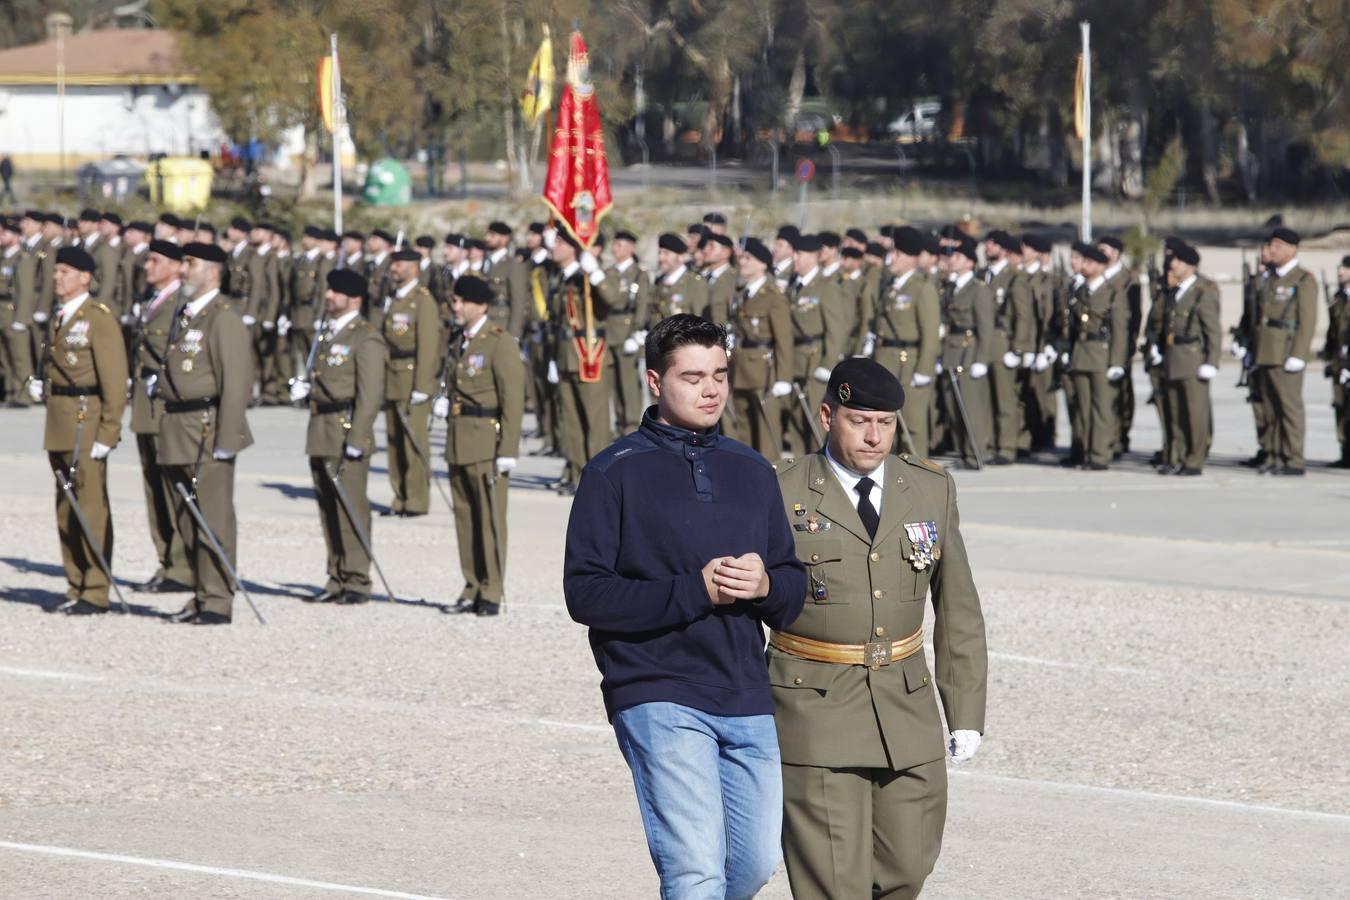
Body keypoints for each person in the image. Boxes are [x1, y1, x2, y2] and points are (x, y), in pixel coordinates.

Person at [563, 314, 806, 900]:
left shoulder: (753, 470)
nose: (711, 389)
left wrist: (766, 585)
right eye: (693, 376)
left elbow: (794, 592)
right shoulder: (612, 472)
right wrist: (694, 589)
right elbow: (586, 593)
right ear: (654, 381)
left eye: (719, 374)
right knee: (695, 869)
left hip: (745, 692)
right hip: (656, 689)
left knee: (750, 867)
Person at [770, 357, 988, 900]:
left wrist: (965, 711)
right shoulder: (782, 491)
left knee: (907, 870)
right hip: (815, 709)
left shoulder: (928, 488)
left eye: (885, 423)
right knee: (834, 884)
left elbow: (957, 606)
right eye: (859, 420)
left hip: (906, 709)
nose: (873, 436)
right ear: (827, 416)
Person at [156, 242, 254, 625]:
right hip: (178, 428)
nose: (182, 269)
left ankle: (217, 599)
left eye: (189, 263)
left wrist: (228, 440)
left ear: (213, 271)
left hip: (206, 430)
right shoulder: (187, 313)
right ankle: (200, 591)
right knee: (186, 518)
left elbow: (237, 381)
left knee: (213, 518)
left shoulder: (222, 316)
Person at [29, 246, 128, 614]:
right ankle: (76, 582)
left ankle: (96, 589)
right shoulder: (60, 316)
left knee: (89, 507)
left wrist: (108, 432)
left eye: (66, 272)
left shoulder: (97, 318)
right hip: (60, 419)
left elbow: (115, 381)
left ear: (85, 277)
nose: (58, 277)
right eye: (57, 271)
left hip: (86, 423)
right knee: (65, 508)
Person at [291, 269, 386, 604]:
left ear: (355, 298)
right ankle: (336, 576)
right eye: (328, 290)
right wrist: (306, 389)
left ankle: (357, 579)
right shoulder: (328, 333)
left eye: (336, 291)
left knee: (351, 507)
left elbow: (370, 394)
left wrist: (359, 438)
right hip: (321, 428)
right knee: (328, 508)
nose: (328, 295)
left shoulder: (366, 337)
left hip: (346, 429)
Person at [432, 276, 525, 616]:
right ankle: (471, 583)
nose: (454, 307)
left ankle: (492, 589)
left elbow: (512, 398)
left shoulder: (499, 342)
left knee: (489, 519)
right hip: (459, 438)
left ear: (481, 305)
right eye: (453, 301)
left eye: (461, 301)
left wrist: (508, 449)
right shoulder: (460, 339)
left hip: (487, 441)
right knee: (465, 517)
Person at [129, 240, 194, 593]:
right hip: (145, 404)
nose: (147, 266)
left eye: (155, 261)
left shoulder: (181, 303)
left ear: (174, 266)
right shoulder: (153, 301)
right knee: (153, 487)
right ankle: (167, 560)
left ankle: (183, 566)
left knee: (171, 487)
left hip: (165, 406)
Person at [1248, 228, 1317, 475]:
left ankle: (1294, 458)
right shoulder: (1272, 278)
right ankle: (1275, 454)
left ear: (1292, 248)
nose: (1272, 249)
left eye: (1277, 245)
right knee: (1270, 408)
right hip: (1266, 350)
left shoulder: (1302, 279)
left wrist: (1299, 354)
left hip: (1286, 352)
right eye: (1271, 245)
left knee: (1289, 408)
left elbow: (1307, 321)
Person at [869, 226, 939, 457]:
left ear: (910, 258)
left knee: (912, 426)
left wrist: (924, 369)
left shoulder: (922, 288)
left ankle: (918, 477)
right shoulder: (891, 285)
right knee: (888, 425)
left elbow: (930, 333)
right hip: (887, 360)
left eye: (897, 253)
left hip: (908, 364)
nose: (891, 258)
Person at [380, 248, 440, 516]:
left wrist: (423, 386)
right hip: (392, 376)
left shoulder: (422, 300)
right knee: (394, 442)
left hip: (412, 377)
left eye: (400, 264)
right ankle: (400, 496)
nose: (394, 268)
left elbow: (428, 347)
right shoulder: (395, 298)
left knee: (413, 442)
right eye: (393, 263)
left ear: (414, 268)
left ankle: (416, 499)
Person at [1154, 243, 1221, 475]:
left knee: (1195, 413)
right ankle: (1179, 457)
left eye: (1178, 262)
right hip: (1173, 357)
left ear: (1190, 265)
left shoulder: (1202, 291)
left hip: (1193, 359)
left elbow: (1212, 330)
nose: (1173, 265)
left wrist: (1211, 361)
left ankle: (1194, 460)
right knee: (1175, 413)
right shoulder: (1176, 291)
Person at [726, 237, 794, 457]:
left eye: (748, 258)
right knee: (744, 430)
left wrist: (784, 377)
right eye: (742, 257)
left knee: (766, 434)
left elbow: (783, 339)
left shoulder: (773, 296)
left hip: (764, 371)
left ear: (763, 264)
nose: (742, 262)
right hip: (740, 368)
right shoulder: (741, 294)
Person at [1065, 241, 1127, 470]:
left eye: (1090, 262)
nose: (1085, 266)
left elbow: (1120, 330)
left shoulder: (1112, 293)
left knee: (1101, 409)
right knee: (1083, 408)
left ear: (1101, 266)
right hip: (1080, 354)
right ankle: (1086, 452)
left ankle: (1100, 455)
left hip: (1101, 355)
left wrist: (1117, 361)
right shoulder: (1080, 291)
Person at [939, 238, 994, 468]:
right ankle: (962, 451)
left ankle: (975, 453)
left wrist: (982, 358)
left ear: (970, 262)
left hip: (969, 350)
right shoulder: (951, 287)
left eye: (958, 257)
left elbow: (986, 326)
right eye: (952, 257)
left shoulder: (977, 288)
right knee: (953, 405)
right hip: (951, 349)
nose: (952, 261)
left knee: (970, 406)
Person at [606, 229, 652, 434]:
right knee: (614, 383)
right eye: (615, 244)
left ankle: (632, 425)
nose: (616, 249)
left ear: (631, 247)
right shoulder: (609, 273)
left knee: (628, 383)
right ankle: (619, 424)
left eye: (621, 245)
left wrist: (637, 331)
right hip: (610, 331)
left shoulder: (638, 274)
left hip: (627, 330)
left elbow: (642, 304)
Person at [1323, 256, 1350, 468]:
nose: (1340, 271)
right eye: (1340, 267)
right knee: (1340, 404)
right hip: (1339, 359)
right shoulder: (1338, 298)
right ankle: (1345, 452)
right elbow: (1333, 331)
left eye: (1345, 268)